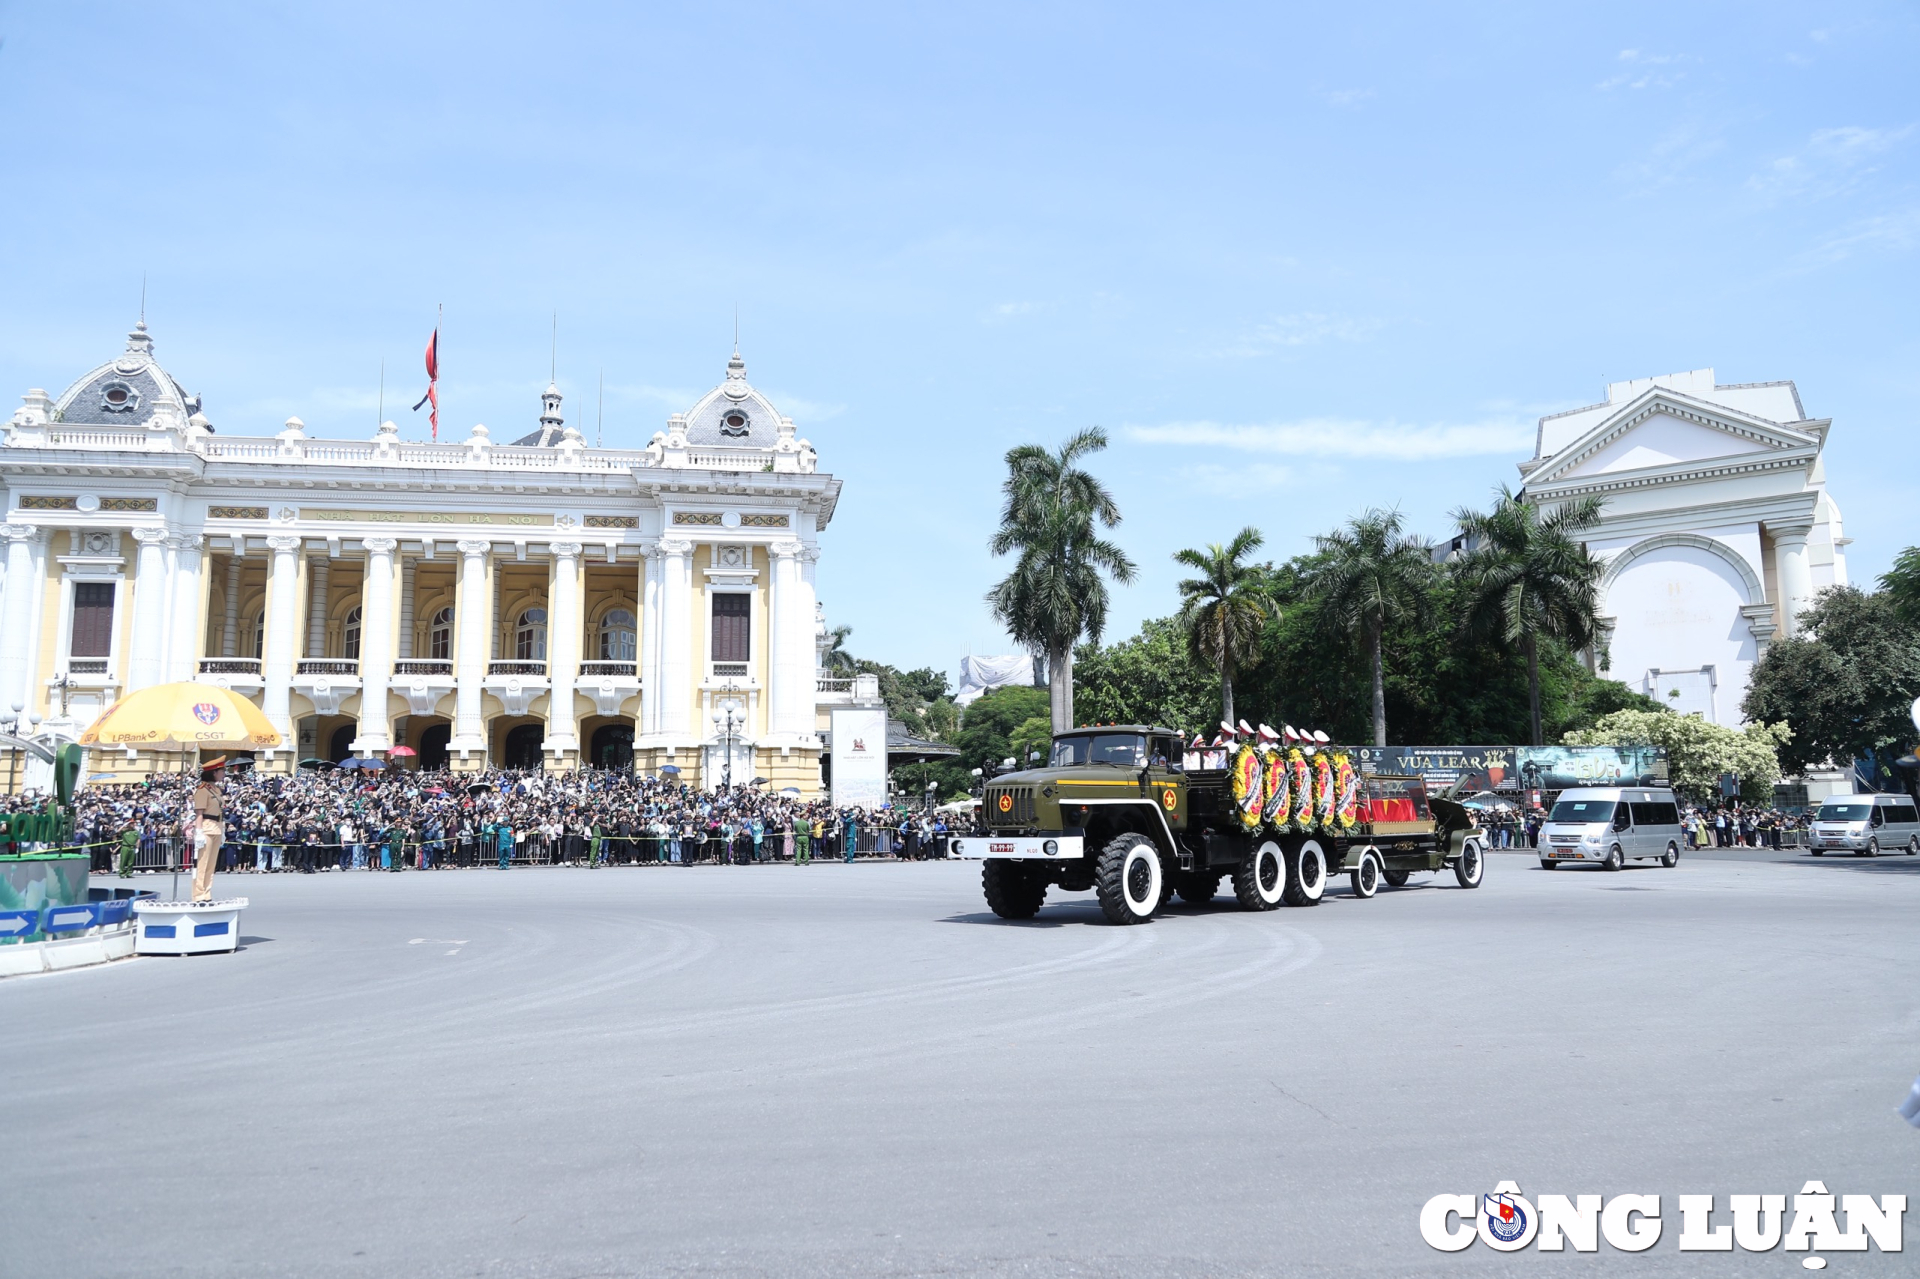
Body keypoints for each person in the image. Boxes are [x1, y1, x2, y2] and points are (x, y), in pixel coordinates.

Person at [188, 757, 228, 903]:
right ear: (213, 772)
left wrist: (222, 830)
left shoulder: (216, 789)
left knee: (211, 864)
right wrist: (198, 832)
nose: (223, 773)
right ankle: (198, 894)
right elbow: (199, 812)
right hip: (205, 827)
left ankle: (206, 892)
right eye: (221, 770)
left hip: (216, 827)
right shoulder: (202, 790)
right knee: (202, 863)